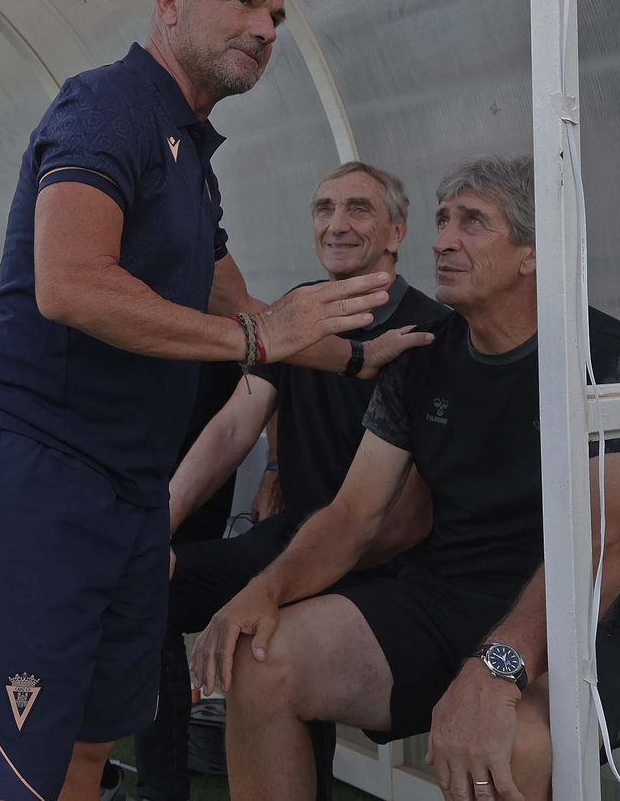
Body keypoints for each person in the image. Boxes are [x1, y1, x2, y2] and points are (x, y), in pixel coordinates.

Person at [0, 0, 426, 801]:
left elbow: (240, 309)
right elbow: (72, 285)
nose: (267, 28)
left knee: (90, 746)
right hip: (41, 471)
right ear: (169, 5)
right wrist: (260, 340)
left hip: (133, 489)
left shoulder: (194, 158)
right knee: (17, 771)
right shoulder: (107, 105)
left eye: (276, 14)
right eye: (244, 1)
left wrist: (355, 356)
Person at [193, 156, 620, 801]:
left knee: (504, 746)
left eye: (473, 223)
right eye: (443, 221)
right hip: (445, 603)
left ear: (532, 252)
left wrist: (497, 668)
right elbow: (353, 514)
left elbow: (607, 548)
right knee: (262, 661)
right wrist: (267, 588)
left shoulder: (618, 359)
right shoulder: (424, 355)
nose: (443, 241)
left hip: (598, 630)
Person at [135, 162, 448, 801]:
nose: (336, 225)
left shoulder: (432, 331)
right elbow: (233, 427)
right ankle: (160, 792)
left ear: (397, 231)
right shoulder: (294, 313)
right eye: (323, 209)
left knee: (272, 634)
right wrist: (153, 526)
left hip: (385, 561)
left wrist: (285, 582)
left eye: (358, 209)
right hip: (291, 535)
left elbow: (409, 519)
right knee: (146, 587)